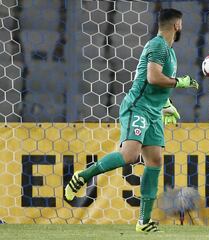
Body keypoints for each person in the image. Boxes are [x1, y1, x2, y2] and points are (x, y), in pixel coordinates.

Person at [64, 8, 198, 233]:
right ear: (177, 25)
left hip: (153, 112)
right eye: (181, 24)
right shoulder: (157, 45)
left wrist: (166, 105)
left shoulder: (169, 52)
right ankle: (82, 176)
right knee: (130, 155)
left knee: (154, 161)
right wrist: (180, 83)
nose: (182, 27)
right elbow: (153, 77)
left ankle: (143, 221)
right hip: (138, 108)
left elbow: (156, 84)